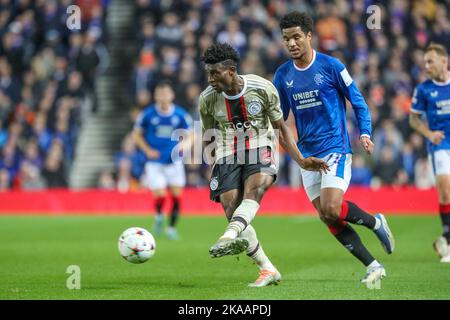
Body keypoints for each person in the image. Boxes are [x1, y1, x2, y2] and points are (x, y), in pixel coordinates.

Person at [273, 12, 395, 285]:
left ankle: (375, 223)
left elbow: (359, 102)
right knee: (327, 217)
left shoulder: (331, 66)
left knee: (331, 206)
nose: (291, 43)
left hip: (335, 148)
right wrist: (288, 150)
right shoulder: (283, 75)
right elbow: (279, 119)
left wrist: (365, 132)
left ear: (308, 36)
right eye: (286, 39)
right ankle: (373, 265)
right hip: (307, 155)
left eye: (295, 37)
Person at [199, 42, 329, 287]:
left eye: (214, 73)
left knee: (255, 188)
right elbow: (209, 134)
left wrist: (300, 159)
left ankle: (228, 236)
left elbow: (282, 128)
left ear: (229, 71)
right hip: (228, 150)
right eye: (208, 73)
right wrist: (215, 165)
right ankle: (267, 269)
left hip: (261, 144)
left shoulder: (262, 88)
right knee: (231, 208)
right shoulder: (207, 99)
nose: (210, 78)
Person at [133, 81, 193, 240]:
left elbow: (191, 134)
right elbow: (136, 134)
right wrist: (147, 150)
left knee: (176, 196)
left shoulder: (180, 114)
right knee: (160, 194)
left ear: (172, 95)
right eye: (160, 94)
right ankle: (159, 215)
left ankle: (171, 228)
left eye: (166, 93)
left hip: (174, 161)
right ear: (155, 96)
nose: (163, 97)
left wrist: (184, 145)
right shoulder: (148, 114)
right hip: (155, 162)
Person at [409, 43, 450, 263]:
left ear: (444, 62)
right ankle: (449, 242)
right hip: (440, 144)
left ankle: (445, 237)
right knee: (445, 192)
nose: (426, 66)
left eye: (430, 61)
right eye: (425, 62)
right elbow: (413, 119)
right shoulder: (424, 89)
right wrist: (429, 133)